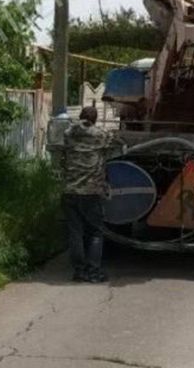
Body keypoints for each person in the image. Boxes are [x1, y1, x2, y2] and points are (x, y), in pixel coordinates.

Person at [61, 106, 118, 282]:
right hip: (91, 192)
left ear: (80, 116)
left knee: (75, 232)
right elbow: (116, 145)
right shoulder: (101, 135)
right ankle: (93, 272)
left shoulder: (69, 134)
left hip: (69, 191)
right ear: (95, 119)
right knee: (94, 232)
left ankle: (79, 271)